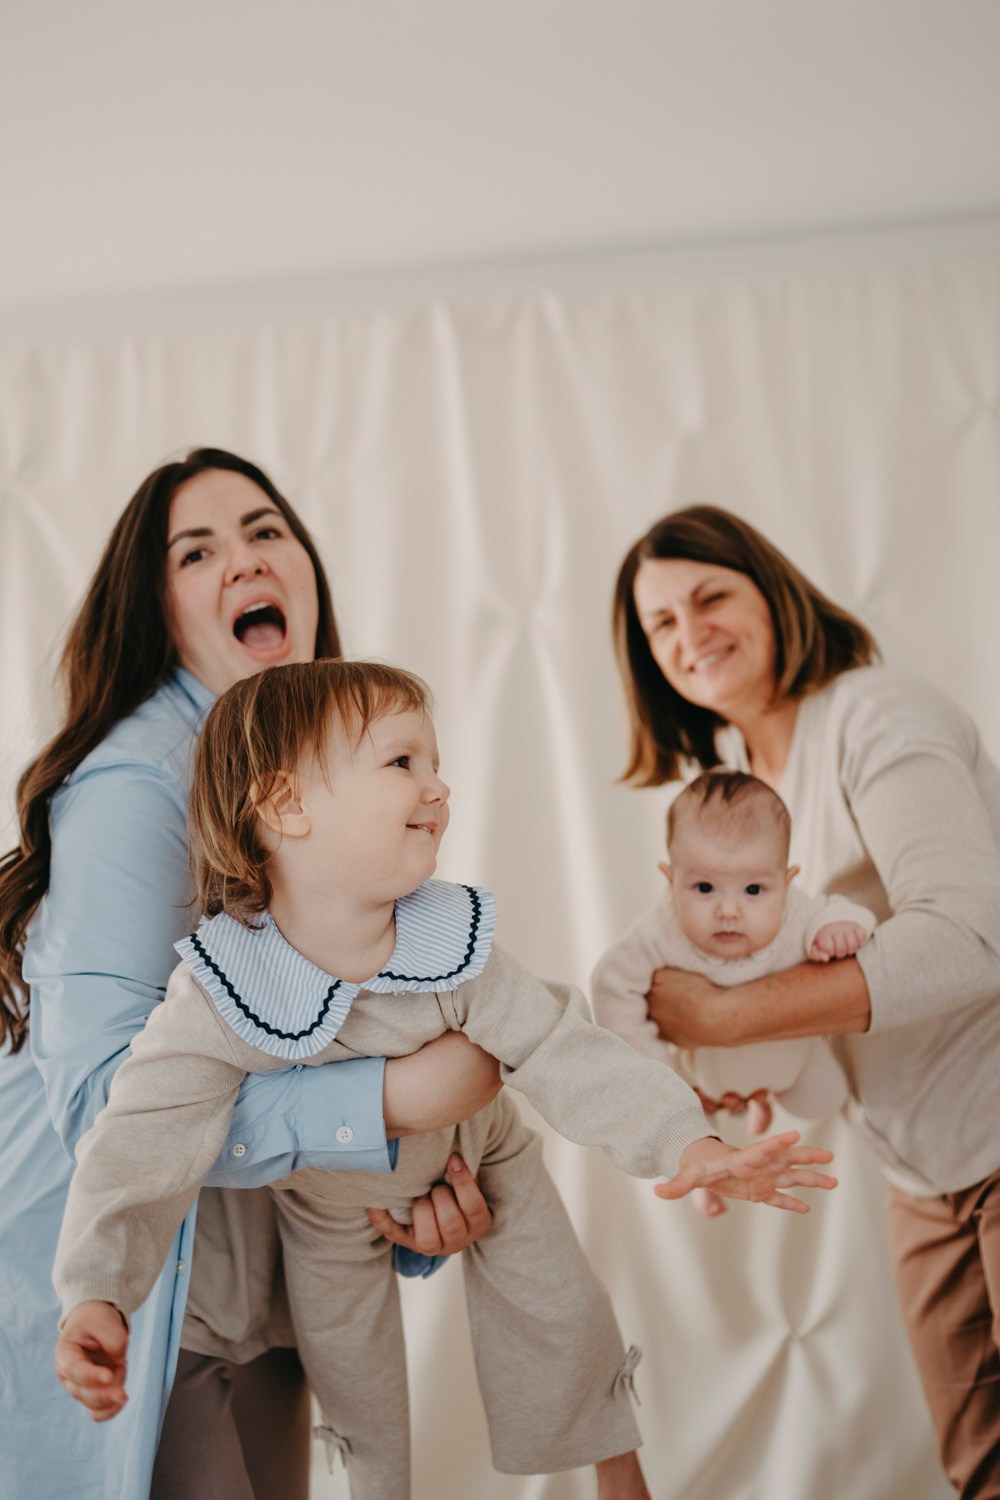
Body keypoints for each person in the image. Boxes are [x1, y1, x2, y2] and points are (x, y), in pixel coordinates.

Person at [52, 657, 839, 1500]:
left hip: (481, 1153)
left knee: (562, 1308)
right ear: (285, 805)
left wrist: (689, 1142)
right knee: (359, 1399)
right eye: (403, 762)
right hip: (327, 1212)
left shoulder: (449, 943)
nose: (438, 787)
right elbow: (139, 1140)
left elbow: (567, 1050)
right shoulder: (227, 984)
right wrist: (96, 1292)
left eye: (435, 762)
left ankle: (617, 1469)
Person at [0, 449, 502, 1500]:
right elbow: (103, 1104)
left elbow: (332, 1024)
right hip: (132, 1296)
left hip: (268, 1283)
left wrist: (413, 1203)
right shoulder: (136, 784)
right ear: (157, 612)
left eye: (266, 531)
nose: (245, 561)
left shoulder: (338, 772)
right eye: (197, 552)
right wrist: (386, 1103)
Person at [611, 504, 1000, 1496]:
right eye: (661, 624)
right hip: (922, 1175)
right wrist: (741, 1071)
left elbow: (970, 937)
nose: (690, 633)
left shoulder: (876, 715)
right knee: (978, 1468)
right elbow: (824, 995)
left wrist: (727, 1016)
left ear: (773, 591)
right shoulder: (742, 794)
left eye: (710, 596)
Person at [592, 769, 874, 1217]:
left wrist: (839, 928)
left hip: (794, 1059)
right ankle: (703, 1181)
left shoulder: (797, 912)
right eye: (704, 888)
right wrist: (653, 1064)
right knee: (683, 1123)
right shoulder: (660, 931)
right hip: (705, 1077)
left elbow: (846, 912)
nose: (728, 909)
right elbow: (611, 980)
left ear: (787, 881)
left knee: (824, 1099)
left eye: (754, 889)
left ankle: (765, 1099)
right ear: (670, 880)